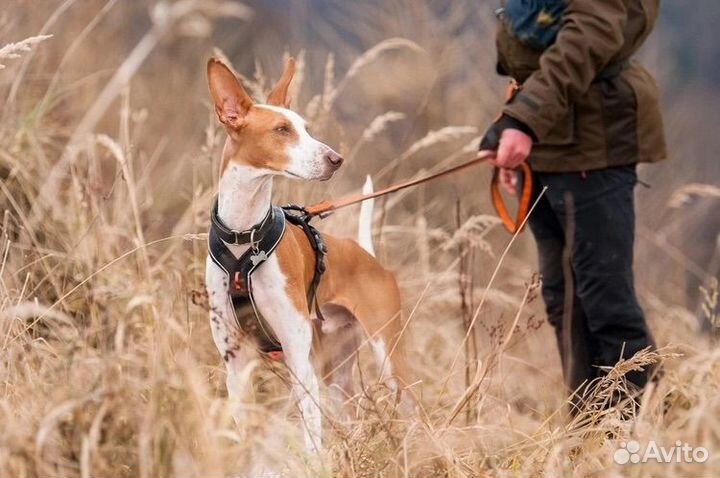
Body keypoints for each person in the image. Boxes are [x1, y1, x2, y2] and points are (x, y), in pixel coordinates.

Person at [479, 0, 666, 408]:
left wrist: (522, 122)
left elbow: (585, 41)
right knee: (564, 299)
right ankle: (588, 432)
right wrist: (513, 128)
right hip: (549, 141)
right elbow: (533, 53)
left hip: (594, 144)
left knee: (605, 298)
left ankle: (647, 435)